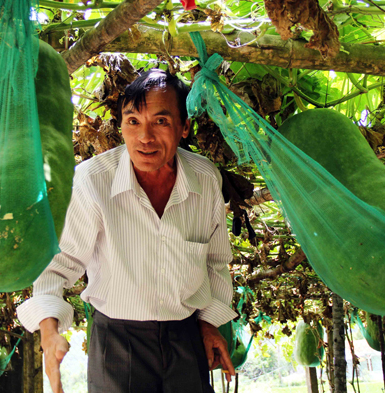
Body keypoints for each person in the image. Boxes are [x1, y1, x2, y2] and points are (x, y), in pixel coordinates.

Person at [17, 69, 237, 393]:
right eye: (133, 121)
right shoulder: (93, 181)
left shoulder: (205, 179)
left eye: (160, 121)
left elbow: (216, 261)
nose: (144, 137)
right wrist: (49, 334)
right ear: (121, 126)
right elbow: (57, 266)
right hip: (118, 344)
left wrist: (207, 324)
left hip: (186, 340)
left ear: (184, 126)